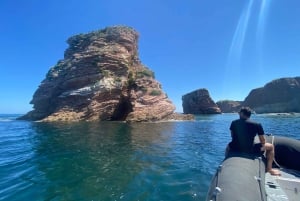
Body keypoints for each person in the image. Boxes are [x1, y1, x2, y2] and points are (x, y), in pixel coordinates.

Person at [228, 107, 281, 176]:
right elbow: (262, 141)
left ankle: (227, 160)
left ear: (242, 113)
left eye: (239, 113)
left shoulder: (234, 122)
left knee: (228, 146)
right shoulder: (257, 124)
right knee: (271, 147)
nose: (238, 114)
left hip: (235, 148)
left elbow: (232, 136)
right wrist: (262, 145)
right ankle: (269, 169)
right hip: (250, 150)